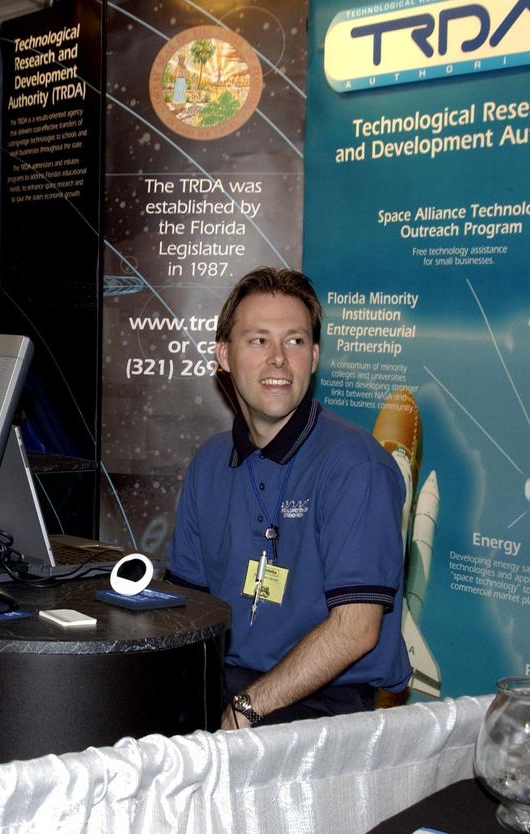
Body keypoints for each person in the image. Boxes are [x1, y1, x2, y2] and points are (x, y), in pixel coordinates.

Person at [166, 267, 411, 728]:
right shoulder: (211, 460)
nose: (278, 359)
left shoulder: (356, 465)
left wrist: (244, 711)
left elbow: (355, 631)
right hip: (226, 679)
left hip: (325, 699)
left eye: (294, 342)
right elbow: (188, 607)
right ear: (224, 355)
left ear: (314, 357)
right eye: (259, 340)